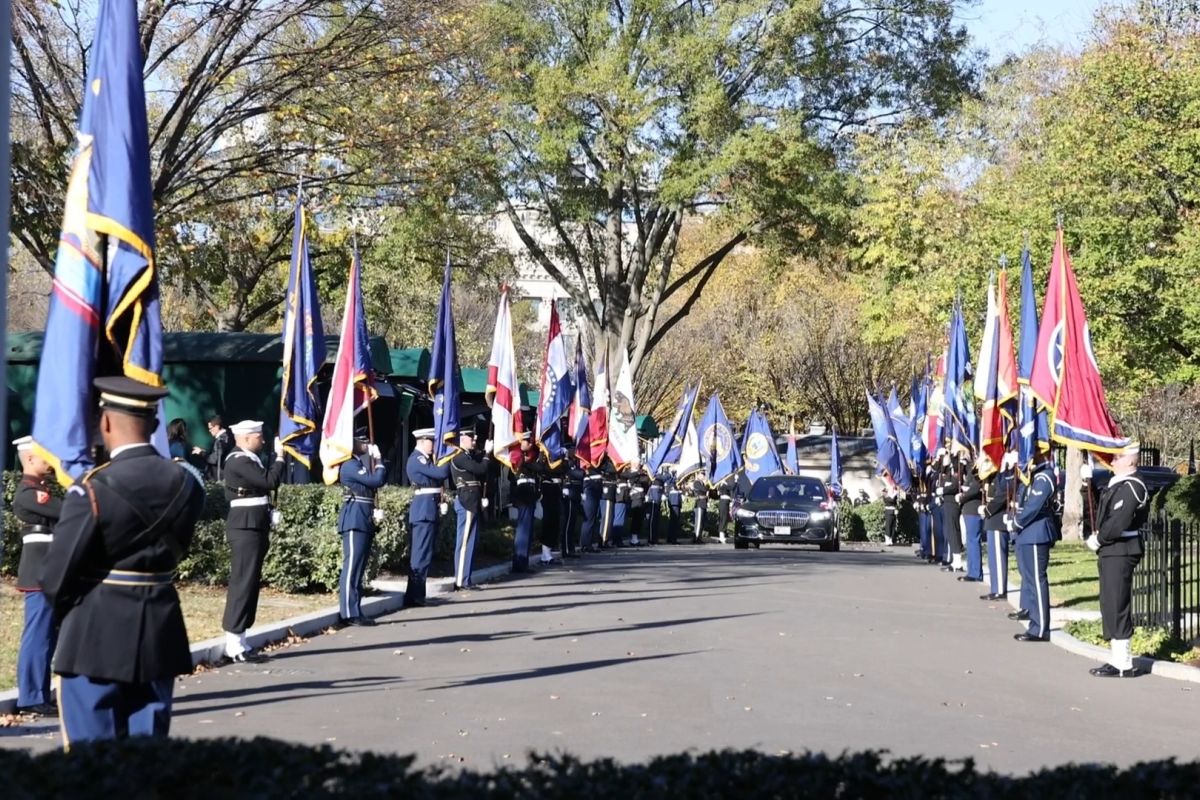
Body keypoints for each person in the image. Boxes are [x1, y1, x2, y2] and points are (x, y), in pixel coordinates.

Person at [40, 376, 205, 746]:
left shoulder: (93, 487)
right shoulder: (187, 483)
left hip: (94, 635)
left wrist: (72, 614)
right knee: (146, 760)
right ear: (156, 425)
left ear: (107, 423)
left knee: (92, 762)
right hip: (161, 629)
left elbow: (56, 577)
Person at [220, 420, 286, 662]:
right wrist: (280, 458)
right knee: (242, 583)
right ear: (247, 438)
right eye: (259, 436)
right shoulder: (238, 460)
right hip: (245, 527)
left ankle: (242, 639)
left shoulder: (249, 458)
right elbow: (269, 482)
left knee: (250, 583)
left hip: (255, 526)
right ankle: (233, 643)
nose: (263, 440)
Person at [1087, 442, 1150, 677]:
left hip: (1122, 549)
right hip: (1112, 550)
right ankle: (1116, 658)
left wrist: (1100, 539)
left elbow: (1118, 521)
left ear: (1130, 461)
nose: (1111, 461)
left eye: (1116, 457)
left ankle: (1124, 662)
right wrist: (1089, 485)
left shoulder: (1133, 486)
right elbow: (1104, 513)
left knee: (1117, 604)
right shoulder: (1119, 484)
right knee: (1109, 603)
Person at [11, 436, 61, 717]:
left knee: (48, 637)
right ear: (30, 459)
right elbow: (68, 512)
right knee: (38, 636)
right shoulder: (30, 493)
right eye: (46, 456)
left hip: (50, 572)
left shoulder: (42, 490)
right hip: (40, 574)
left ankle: (40, 694)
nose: (51, 461)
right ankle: (31, 696)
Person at [1009, 449, 1060, 642]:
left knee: (1037, 582)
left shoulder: (1045, 477)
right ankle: (1034, 622)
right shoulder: (1033, 476)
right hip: (1026, 534)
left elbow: (1034, 506)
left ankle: (1039, 629)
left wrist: (1017, 522)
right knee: (1029, 580)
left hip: (1036, 534)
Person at [337, 433, 386, 625]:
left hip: (363, 518)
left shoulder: (359, 464)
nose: (366, 444)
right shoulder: (349, 464)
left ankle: (355, 610)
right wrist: (379, 461)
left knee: (358, 568)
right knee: (352, 568)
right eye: (362, 441)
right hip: (354, 520)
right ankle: (347, 613)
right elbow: (376, 481)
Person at [403, 428, 449, 608]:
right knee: (420, 555)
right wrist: (446, 457)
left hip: (429, 508)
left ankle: (417, 594)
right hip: (423, 511)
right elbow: (440, 474)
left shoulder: (425, 459)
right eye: (431, 441)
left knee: (424, 554)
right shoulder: (417, 459)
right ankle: (414, 595)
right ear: (422, 441)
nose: (434, 445)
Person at [449, 429, 489, 589]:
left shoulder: (467, 456)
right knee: (464, 542)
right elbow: (480, 469)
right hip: (466, 500)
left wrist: (486, 451)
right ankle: (460, 580)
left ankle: (466, 578)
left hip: (472, 500)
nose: (474, 439)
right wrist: (487, 454)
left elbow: (481, 463)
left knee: (471, 541)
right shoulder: (459, 457)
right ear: (462, 439)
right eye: (471, 437)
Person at [981, 453, 1015, 601]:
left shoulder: (1007, 475)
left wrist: (987, 510)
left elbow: (1003, 494)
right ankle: (996, 587)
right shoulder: (995, 475)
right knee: (993, 558)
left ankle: (1000, 589)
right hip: (991, 519)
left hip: (997, 519)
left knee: (998, 557)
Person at [510, 433, 539, 573]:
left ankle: (523, 562)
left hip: (530, 495)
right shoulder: (517, 457)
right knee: (523, 529)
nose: (530, 444)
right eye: (527, 441)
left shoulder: (530, 457)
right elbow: (531, 467)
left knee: (528, 530)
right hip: (523, 495)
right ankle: (519, 562)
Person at [958, 459, 985, 583]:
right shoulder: (971, 471)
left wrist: (962, 497)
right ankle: (972, 570)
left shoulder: (980, 472)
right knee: (970, 542)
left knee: (973, 541)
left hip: (974, 510)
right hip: (968, 510)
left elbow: (975, 489)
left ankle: (975, 573)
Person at [938, 453, 963, 573]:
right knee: (950, 532)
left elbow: (954, 486)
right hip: (947, 502)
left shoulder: (957, 468)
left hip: (953, 503)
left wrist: (943, 490)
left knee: (953, 531)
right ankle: (955, 560)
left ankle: (958, 561)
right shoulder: (948, 471)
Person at [561, 443, 583, 558]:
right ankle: (566, 550)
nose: (575, 451)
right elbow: (577, 474)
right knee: (568, 523)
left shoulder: (575, 462)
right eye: (572, 449)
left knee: (573, 523)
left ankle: (571, 548)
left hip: (576, 494)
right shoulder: (566, 463)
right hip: (569, 494)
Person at [580, 460, 603, 552]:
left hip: (597, 485)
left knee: (593, 518)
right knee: (589, 517)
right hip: (590, 486)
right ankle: (585, 544)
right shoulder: (587, 456)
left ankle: (588, 543)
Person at [204, 415, 233, 481]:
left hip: (220, 477)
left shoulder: (221, 440)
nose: (209, 431)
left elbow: (215, 459)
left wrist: (202, 454)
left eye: (211, 428)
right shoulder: (227, 436)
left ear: (217, 427)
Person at [666, 470, 683, 544]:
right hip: (674, 501)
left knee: (674, 521)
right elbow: (671, 485)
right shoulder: (671, 480)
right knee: (674, 521)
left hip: (676, 501)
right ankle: (672, 538)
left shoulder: (674, 480)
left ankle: (671, 538)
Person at [881, 480, 899, 546]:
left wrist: (895, 491)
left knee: (893, 526)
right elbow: (891, 500)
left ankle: (891, 538)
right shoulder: (886, 496)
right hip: (888, 512)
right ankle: (887, 539)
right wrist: (894, 493)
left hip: (893, 511)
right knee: (888, 525)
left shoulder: (893, 494)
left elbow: (895, 501)